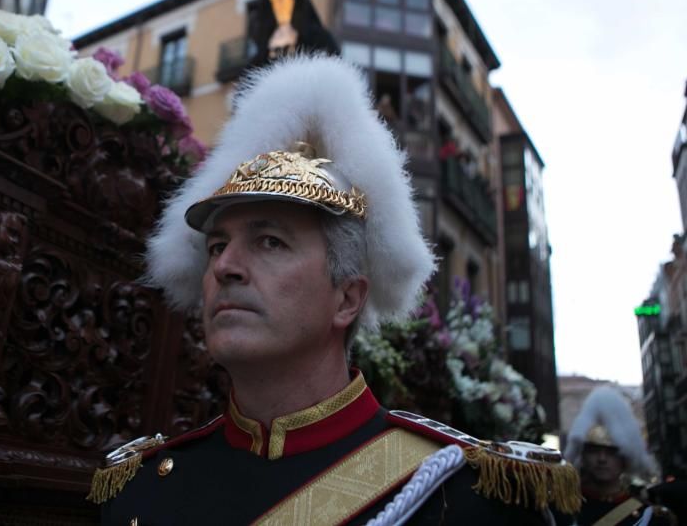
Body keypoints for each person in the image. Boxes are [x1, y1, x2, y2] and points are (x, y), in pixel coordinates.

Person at [89, 55, 580, 525]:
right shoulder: (141, 489)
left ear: (348, 298)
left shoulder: (465, 499)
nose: (226, 266)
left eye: (269, 241)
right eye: (217, 246)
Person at [561, 386, 675, 525]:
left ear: (626, 457)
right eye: (594, 450)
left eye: (612, 452)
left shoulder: (648, 518)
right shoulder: (560, 510)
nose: (602, 459)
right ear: (582, 455)